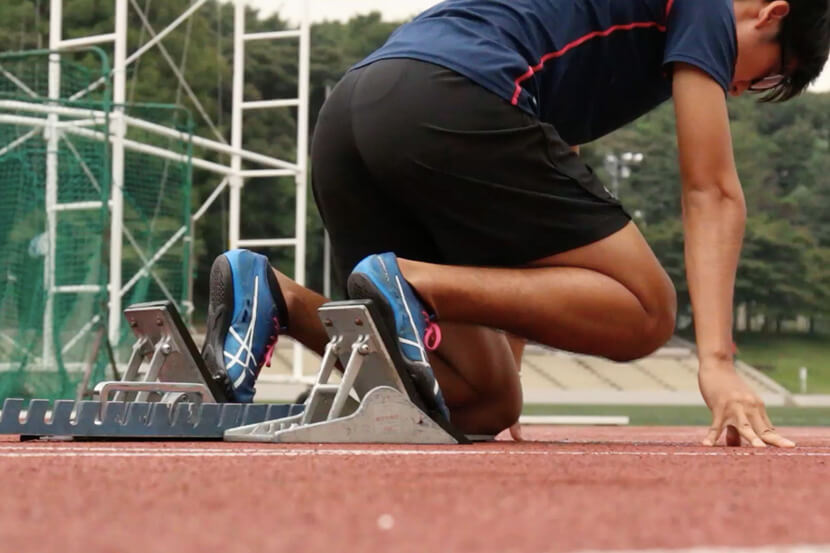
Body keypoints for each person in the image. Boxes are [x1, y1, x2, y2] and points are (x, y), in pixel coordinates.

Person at [201, 0, 829, 447]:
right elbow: (711, 190)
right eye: (771, 74)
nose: (743, 90)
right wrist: (717, 362)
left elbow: (536, 225)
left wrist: (514, 354)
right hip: (450, 100)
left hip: (353, 115)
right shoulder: (707, 8)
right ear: (770, 14)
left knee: (483, 400)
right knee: (647, 311)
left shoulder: (593, 33)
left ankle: (274, 294)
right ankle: (413, 284)